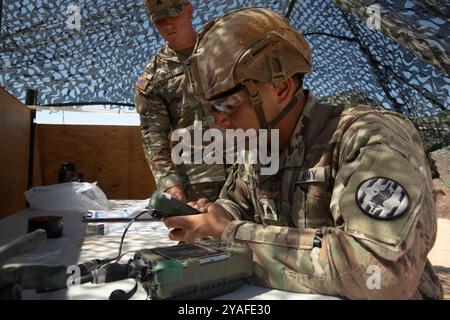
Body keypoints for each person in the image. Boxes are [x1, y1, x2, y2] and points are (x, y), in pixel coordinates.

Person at [162, 7, 443, 299]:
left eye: (227, 103)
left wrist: (230, 234)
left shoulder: (369, 139)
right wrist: (213, 217)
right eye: (211, 108)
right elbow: (237, 207)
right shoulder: (257, 148)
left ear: (281, 88)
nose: (218, 120)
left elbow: (381, 272)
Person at [135, 0, 226, 202]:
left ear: (188, 11)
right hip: (200, 181)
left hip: (245, 169)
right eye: (160, 20)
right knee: (203, 232)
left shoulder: (224, 53)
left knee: (250, 232)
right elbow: (153, 134)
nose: (168, 25)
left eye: (173, 16)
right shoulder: (154, 75)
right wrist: (168, 182)